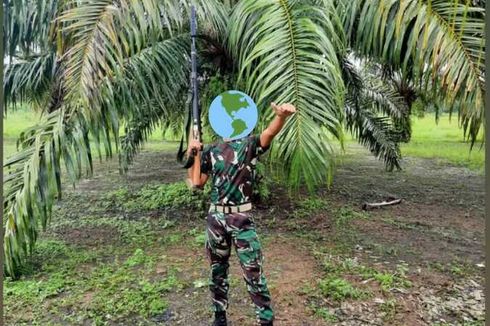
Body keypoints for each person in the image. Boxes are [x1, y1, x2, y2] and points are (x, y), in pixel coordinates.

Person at [187, 102, 296, 326]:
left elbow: (269, 133)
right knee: (218, 270)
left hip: (242, 219)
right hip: (216, 219)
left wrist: (281, 117)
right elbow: (197, 182)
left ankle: (265, 319)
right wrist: (194, 153)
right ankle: (219, 317)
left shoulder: (249, 146)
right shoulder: (211, 150)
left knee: (253, 270)